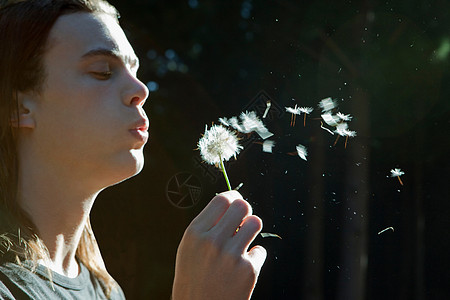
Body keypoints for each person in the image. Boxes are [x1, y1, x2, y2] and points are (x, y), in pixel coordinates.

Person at [0, 0, 266, 299]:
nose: (141, 89)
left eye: (134, 69)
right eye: (102, 71)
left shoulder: (106, 291)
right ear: (19, 107)